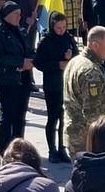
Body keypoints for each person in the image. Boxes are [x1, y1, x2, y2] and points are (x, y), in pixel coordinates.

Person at [0, 0, 35, 154]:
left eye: (20, 15)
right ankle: (3, 148)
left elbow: (29, 50)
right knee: (7, 116)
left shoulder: (21, 31)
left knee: (20, 117)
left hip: (23, 80)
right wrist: (20, 63)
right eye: (15, 14)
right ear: (6, 15)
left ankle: (19, 148)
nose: (18, 17)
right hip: (7, 80)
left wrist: (32, 59)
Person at [63, 28, 105, 163]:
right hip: (88, 140)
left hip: (74, 133)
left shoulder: (75, 61)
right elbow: (93, 115)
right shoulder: (91, 72)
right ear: (95, 45)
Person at [34, 11, 79, 164]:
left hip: (66, 85)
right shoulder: (46, 41)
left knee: (64, 118)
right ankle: (52, 149)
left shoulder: (69, 38)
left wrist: (70, 56)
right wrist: (57, 64)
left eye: (64, 27)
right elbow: (38, 62)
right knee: (53, 118)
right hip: (52, 84)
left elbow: (78, 56)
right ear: (53, 26)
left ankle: (62, 147)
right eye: (58, 28)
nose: (61, 30)